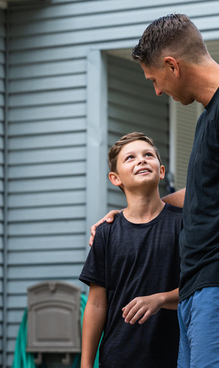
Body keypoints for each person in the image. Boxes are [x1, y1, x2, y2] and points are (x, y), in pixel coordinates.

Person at [90, 14, 219, 367]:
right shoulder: (214, 113)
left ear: (172, 65)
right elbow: (204, 196)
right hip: (204, 293)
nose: (157, 90)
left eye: (154, 79)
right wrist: (136, 212)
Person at [79, 132, 183, 368]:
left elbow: (196, 287)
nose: (142, 160)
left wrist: (160, 299)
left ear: (162, 170)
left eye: (148, 155)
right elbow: (96, 304)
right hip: (118, 358)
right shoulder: (107, 232)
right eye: (130, 158)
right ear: (116, 178)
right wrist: (86, 365)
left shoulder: (184, 224)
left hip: (174, 357)